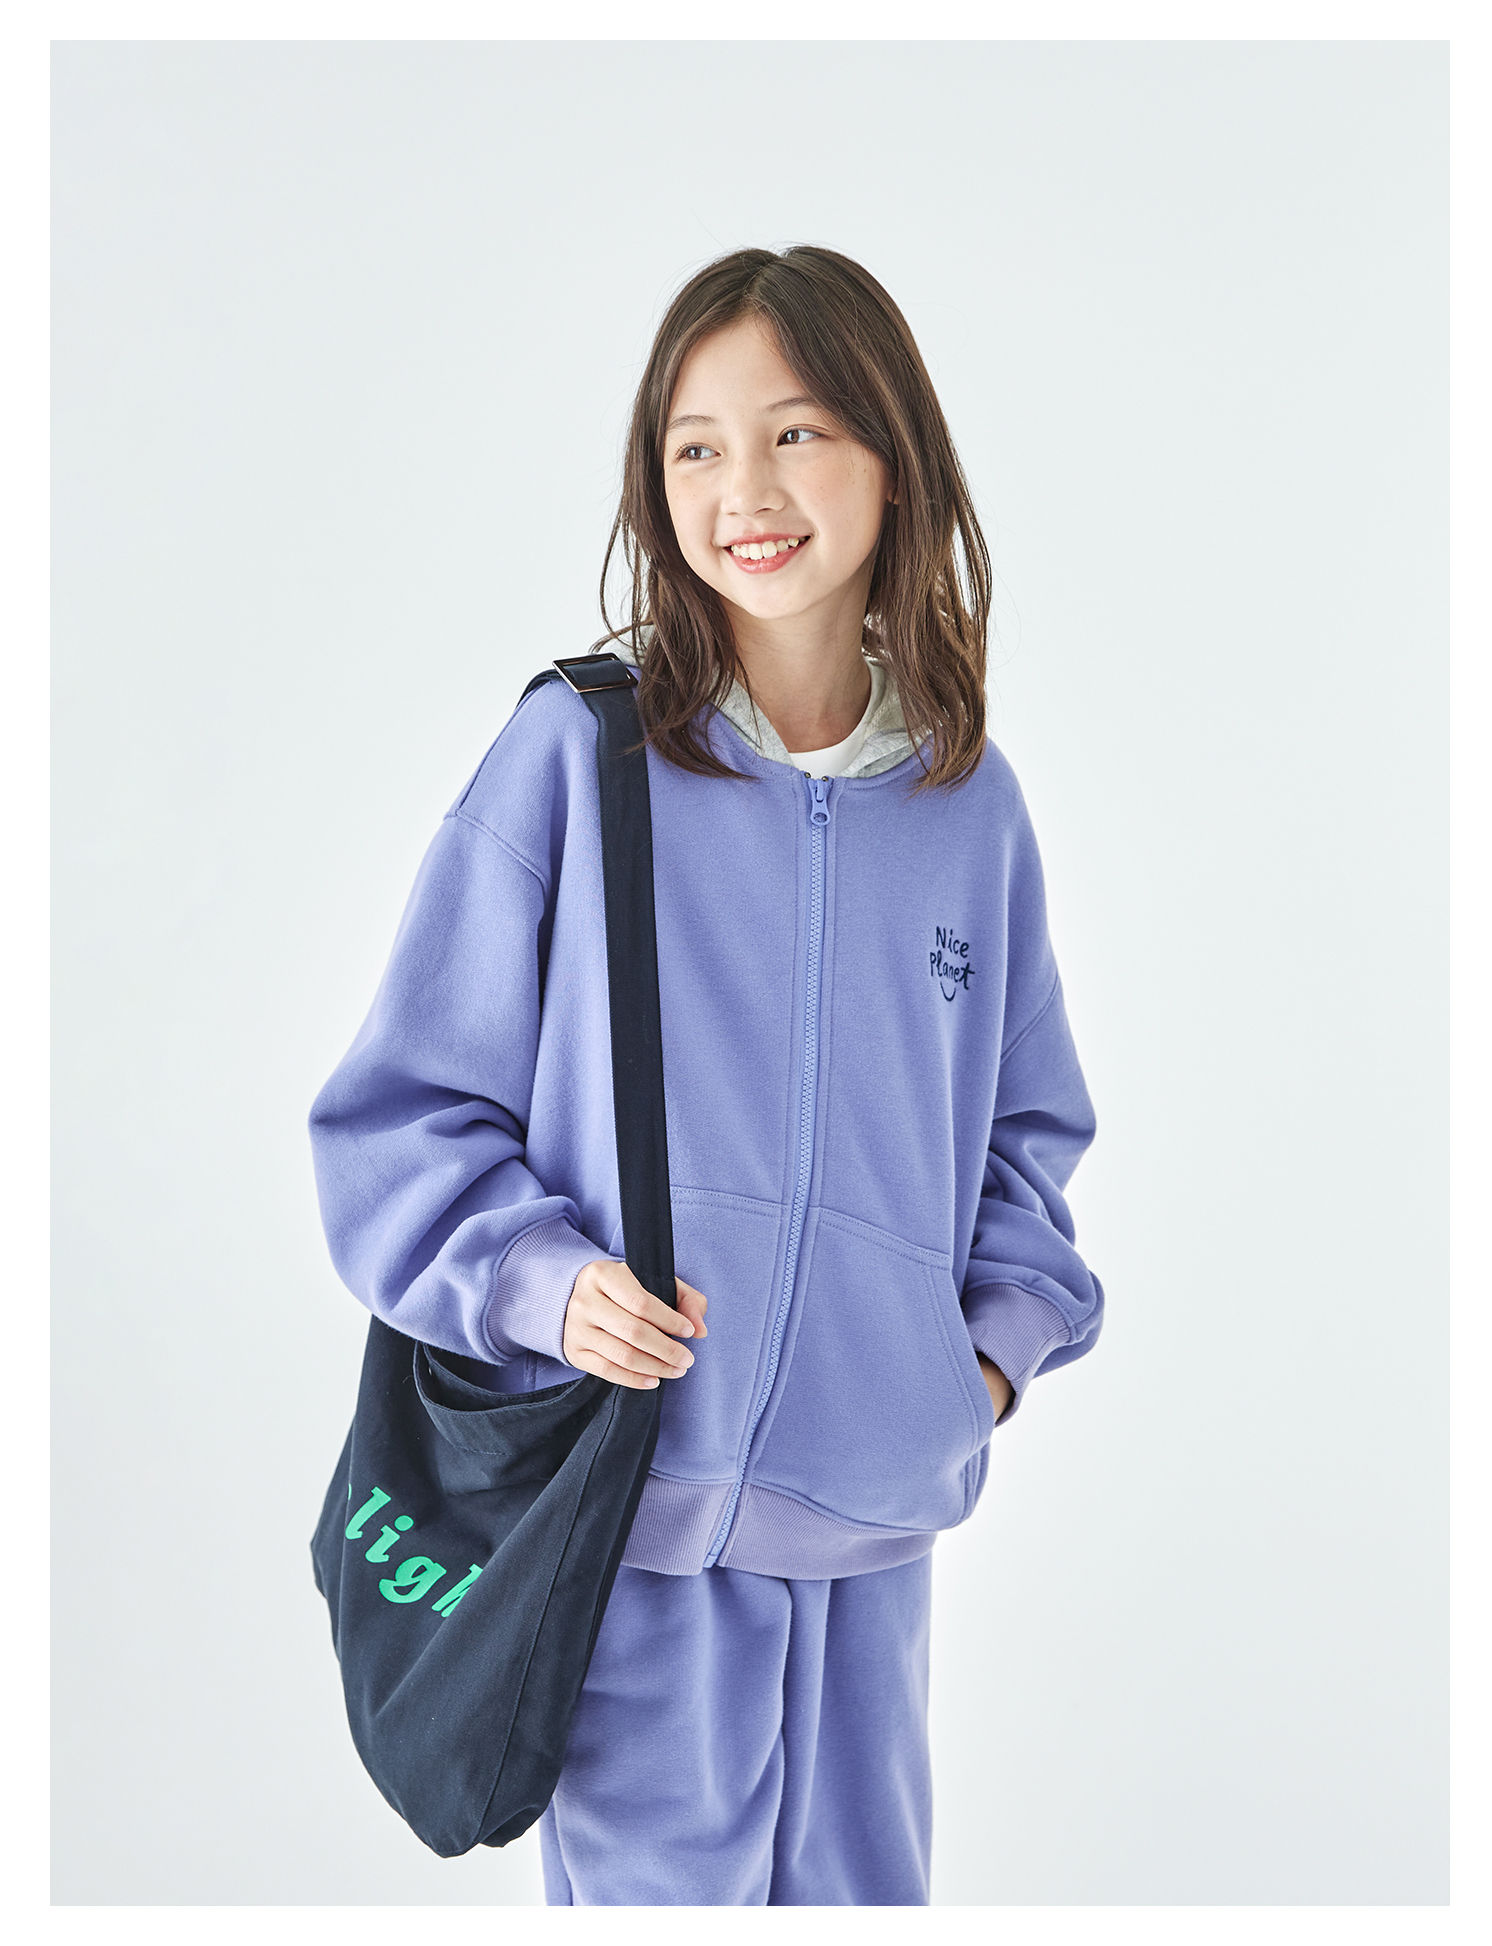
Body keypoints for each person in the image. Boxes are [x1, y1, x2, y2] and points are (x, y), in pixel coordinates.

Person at [306, 244, 1105, 1906]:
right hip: (641, 1522)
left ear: (894, 457)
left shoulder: (971, 807)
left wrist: (974, 1372)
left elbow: (1026, 1140)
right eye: (697, 444)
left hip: (876, 1536)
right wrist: (544, 1281)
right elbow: (398, 1120)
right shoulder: (580, 757)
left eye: (797, 431)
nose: (747, 486)